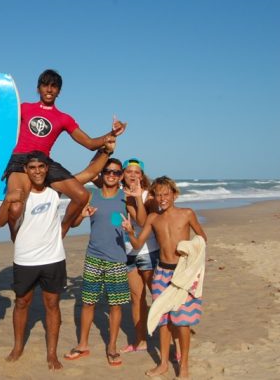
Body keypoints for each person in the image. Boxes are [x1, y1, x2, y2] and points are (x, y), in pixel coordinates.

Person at [0, 140, 115, 370]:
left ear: (47, 169)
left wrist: (107, 148)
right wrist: (6, 201)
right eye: (33, 167)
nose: (38, 171)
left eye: (41, 167)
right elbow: (1, 222)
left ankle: (52, 353)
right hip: (25, 258)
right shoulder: (20, 195)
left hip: (53, 258)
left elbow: (91, 172)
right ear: (25, 170)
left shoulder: (55, 191)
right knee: (21, 303)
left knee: (52, 305)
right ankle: (18, 346)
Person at [0, 69, 126, 239]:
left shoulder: (63, 118)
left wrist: (111, 133)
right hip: (20, 159)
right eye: (45, 85)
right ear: (38, 88)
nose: (49, 90)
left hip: (45, 160)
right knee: (15, 207)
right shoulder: (24, 108)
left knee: (81, 196)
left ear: (59, 91)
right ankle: (16, 238)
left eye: (54, 86)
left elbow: (89, 143)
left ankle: (61, 230)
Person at [122, 176, 207, 379]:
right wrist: (131, 231)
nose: (162, 198)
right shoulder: (153, 218)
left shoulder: (187, 214)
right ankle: (163, 364)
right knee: (163, 319)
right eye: (158, 194)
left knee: (182, 322)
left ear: (174, 194)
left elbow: (202, 237)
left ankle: (183, 366)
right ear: (153, 195)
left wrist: (191, 254)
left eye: (166, 194)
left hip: (183, 273)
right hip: (161, 273)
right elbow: (136, 245)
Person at [64, 158, 131, 367]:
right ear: (101, 174)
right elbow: (73, 223)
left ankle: (111, 347)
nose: (111, 175)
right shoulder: (91, 195)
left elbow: (142, 219)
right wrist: (82, 215)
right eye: (108, 171)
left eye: (116, 172)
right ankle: (82, 344)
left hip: (117, 259)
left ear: (121, 176)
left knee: (115, 305)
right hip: (93, 256)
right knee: (88, 302)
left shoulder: (126, 198)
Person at [118, 158, 159, 353]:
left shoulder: (148, 196)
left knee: (158, 297)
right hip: (129, 253)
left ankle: (174, 338)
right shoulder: (119, 195)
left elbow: (142, 222)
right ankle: (141, 340)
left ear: (142, 176)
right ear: (123, 175)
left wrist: (135, 198)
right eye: (129, 172)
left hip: (149, 252)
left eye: (137, 172)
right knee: (137, 299)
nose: (133, 175)